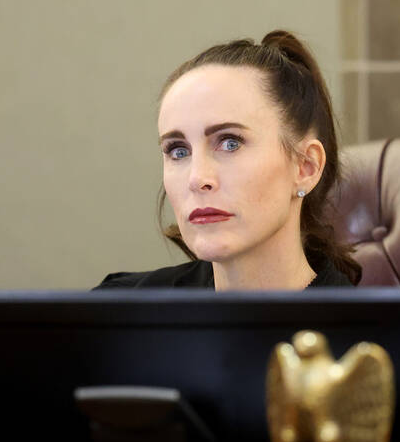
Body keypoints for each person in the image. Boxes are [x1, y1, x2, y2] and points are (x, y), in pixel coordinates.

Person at [96, 30, 360, 290]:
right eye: (178, 151)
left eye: (230, 143)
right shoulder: (114, 314)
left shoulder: (364, 331)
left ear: (305, 167)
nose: (197, 179)